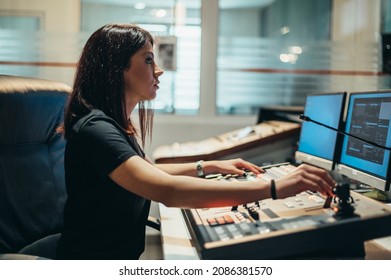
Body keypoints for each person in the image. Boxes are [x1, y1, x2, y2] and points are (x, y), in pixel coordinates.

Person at [56, 23, 335, 260]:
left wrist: (210, 166)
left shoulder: (111, 125)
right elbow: (165, 190)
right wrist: (274, 188)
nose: (159, 70)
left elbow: (147, 171)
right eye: (149, 59)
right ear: (118, 69)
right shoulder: (96, 129)